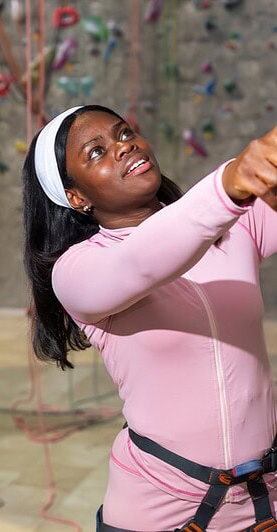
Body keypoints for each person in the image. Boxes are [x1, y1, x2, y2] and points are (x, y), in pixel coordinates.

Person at [22, 104, 277, 531]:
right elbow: (142, 262)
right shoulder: (78, 270)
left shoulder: (231, 227)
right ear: (76, 198)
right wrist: (229, 184)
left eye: (124, 133)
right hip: (161, 508)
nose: (123, 147)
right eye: (97, 152)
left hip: (261, 498)